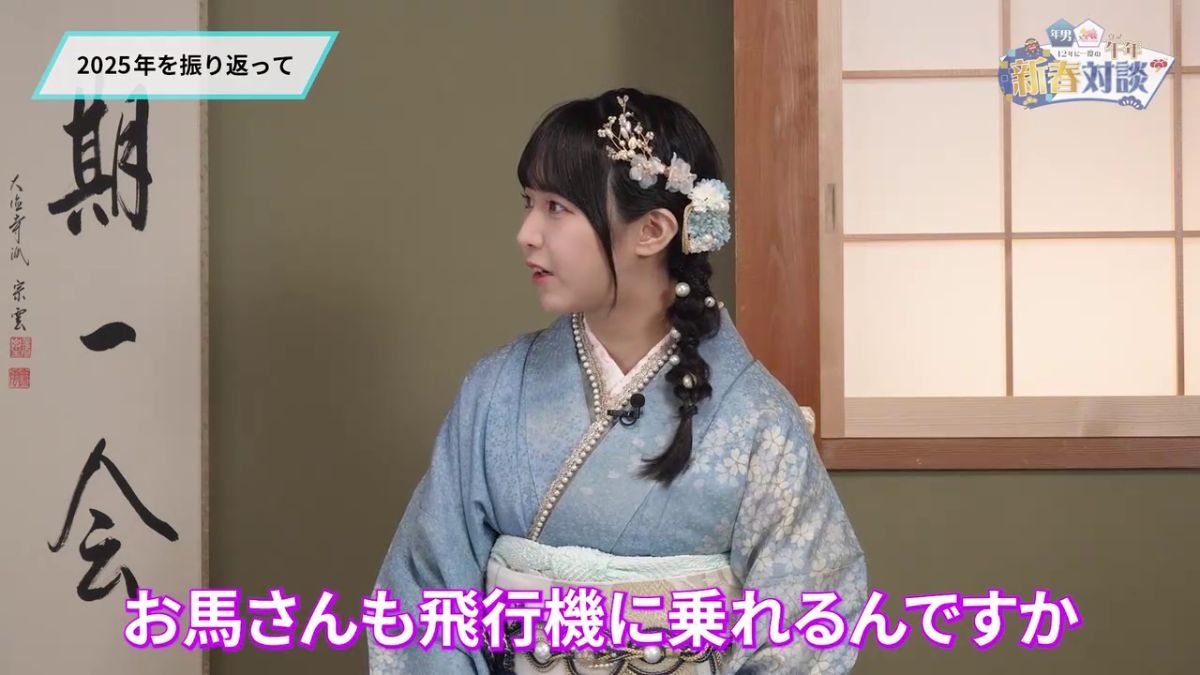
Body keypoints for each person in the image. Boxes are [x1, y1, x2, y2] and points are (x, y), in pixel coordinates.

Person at [369, 88, 867, 674]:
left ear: (652, 230)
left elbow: (808, 616)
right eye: (529, 202)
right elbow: (426, 588)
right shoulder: (495, 391)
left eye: (557, 208)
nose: (527, 232)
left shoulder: (755, 416)